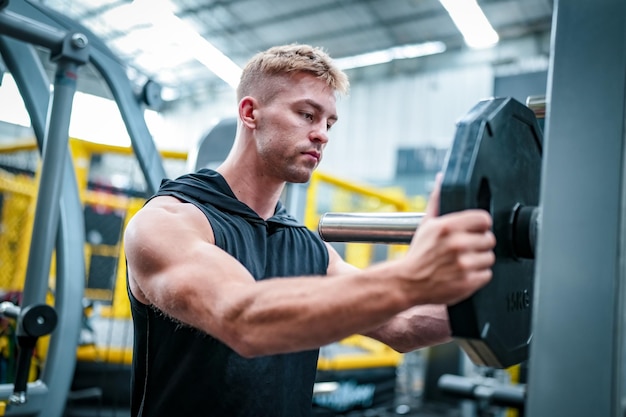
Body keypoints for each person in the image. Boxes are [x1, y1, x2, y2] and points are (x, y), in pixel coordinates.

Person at [123, 43, 496, 417]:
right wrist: (414, 276)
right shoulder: (167, 222)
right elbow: (244, 319)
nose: (322, 135)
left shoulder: (306, 246)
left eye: (328, 123)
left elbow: (406, 325)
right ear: (251, 112)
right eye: (307, 115)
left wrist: (515, 294)